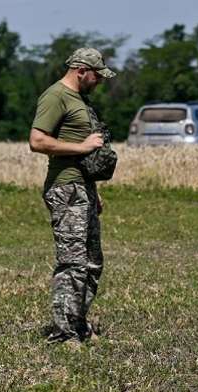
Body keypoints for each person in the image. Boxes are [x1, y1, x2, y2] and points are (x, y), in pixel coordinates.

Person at [28, 47, 116, 344]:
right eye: (97, 75)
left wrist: (93, 189)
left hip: (83, 188)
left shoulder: (79, 99)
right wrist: (83, 147)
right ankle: (63, 334)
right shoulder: (55, 96)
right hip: (65, 188)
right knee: (73, 262)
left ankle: (79, 326)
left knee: (92, 262)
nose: (100, 81)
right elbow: (37, 140)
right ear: (81, 70)